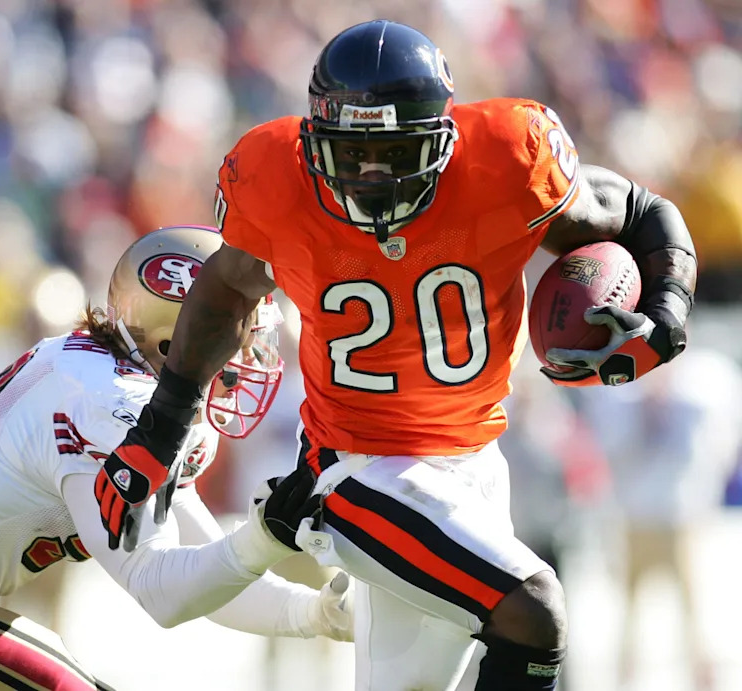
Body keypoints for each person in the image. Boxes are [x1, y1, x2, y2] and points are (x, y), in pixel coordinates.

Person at [96, 20, 698, 691]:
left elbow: (643, 211)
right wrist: (162, 426)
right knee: (534, 613)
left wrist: (667, 316)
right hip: (355, 467)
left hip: (474, 456)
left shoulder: (507, 157)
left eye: (395, 151)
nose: (372, 176)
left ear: (444, 139)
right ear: (314, 139)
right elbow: (226, 287)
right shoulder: (277, 175)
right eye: (352, 155)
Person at [0, 225, 353, 691]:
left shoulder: (111, 382)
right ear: (174, 333)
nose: (252, 351)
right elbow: (162, 590)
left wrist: (316, 614)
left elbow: (199, 564)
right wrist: (265, 538)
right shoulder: (112, 400)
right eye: (242, 330)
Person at [575, 346, 742, 690]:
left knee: (696, 612)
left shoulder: (705, 380)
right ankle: (623, 679)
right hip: (633, 517)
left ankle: (702, 679)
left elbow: (719, 443)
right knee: (628, 611)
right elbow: (606, 447)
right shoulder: (622, 389)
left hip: (684, 516)